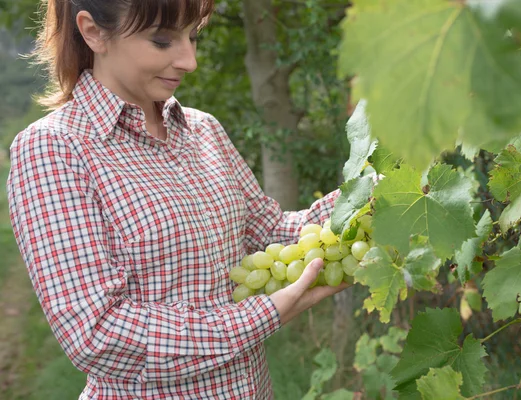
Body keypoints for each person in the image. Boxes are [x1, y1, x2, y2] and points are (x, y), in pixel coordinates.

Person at [6, 0, 349, 398]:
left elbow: (271, 232)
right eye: (162, 41)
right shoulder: (54, 149)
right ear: (94, 32)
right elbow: (96, 334)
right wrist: (262, 316)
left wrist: (368, 196)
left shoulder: (203, 131)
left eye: (193, 36)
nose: (190, 61)